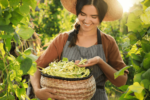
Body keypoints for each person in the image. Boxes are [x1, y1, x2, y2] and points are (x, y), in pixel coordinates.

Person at [30, 0, 129, 100]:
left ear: (101, 18)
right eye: (83, 14)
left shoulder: (108, 42)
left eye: (93, 16)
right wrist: (37, 90)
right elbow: (36, 67)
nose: (87, 20)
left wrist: (100, 62)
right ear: (78, 13)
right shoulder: (63, 39)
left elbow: (121, 81)